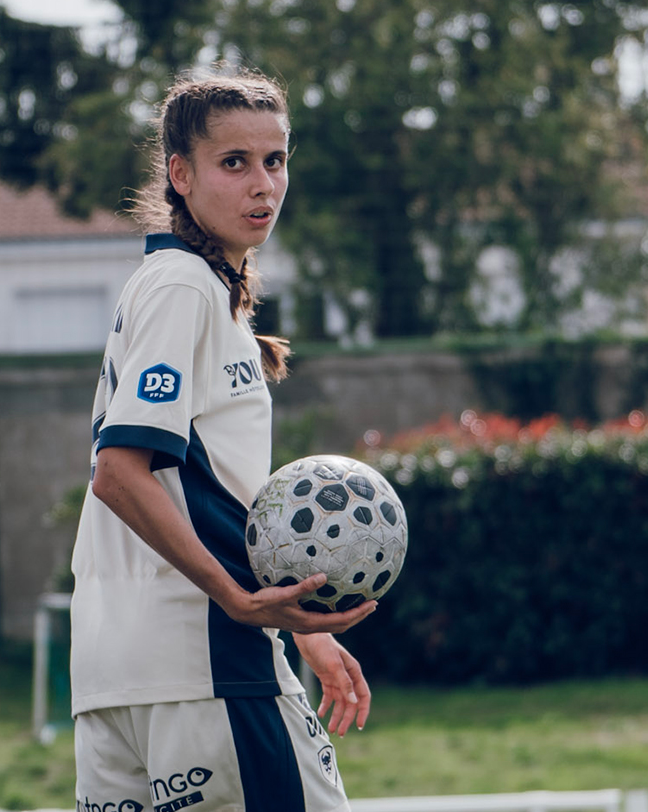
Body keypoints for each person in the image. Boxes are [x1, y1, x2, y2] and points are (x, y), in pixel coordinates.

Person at [70, 69, 377, 812]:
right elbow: (120, 469)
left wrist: (299, 630)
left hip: (114, 682)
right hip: (205, 670)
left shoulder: (184, 287)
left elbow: (204, 490)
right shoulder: (183, 285)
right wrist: (240, 600)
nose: (262, 183)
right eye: (233, 162)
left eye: (275, 160)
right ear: (181, 174)